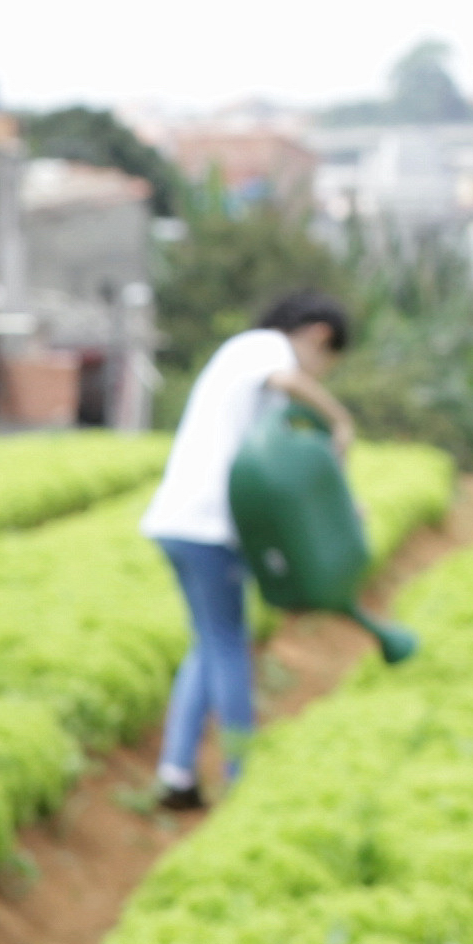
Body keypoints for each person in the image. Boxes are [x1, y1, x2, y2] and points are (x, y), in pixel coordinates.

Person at [139, 287, 360, 808]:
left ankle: (177, 773)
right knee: (229, 646)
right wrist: (341, 420)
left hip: (178, 519)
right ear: (319, 337)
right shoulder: (267, 349)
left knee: (208, 643)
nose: (318, 375)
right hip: (209, 526)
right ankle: (240, 777)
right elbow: (287, 381)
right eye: (325, 363)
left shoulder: (241, 355)